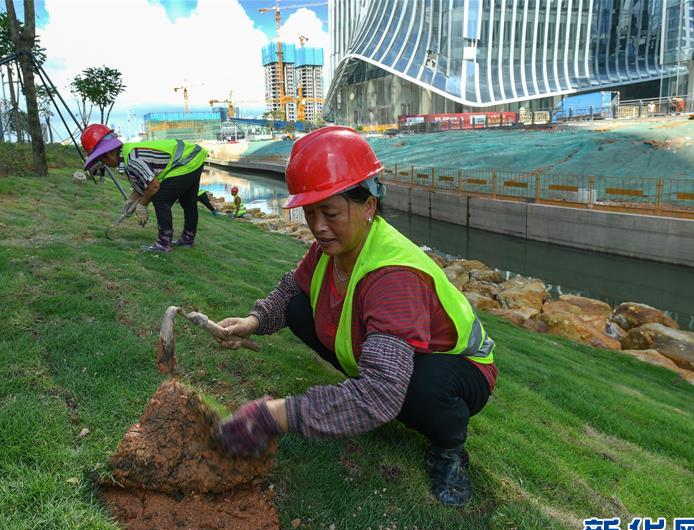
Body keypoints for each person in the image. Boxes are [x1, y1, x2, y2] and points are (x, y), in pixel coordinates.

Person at [210, 126, 498, 506]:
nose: (318, 228)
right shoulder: (333, 247)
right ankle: (358, 394)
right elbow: (290, 289)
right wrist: (254, 321)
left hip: (458, 368)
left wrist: (276, 416)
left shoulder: (394, 275)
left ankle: (448, 451)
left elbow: (381, 393)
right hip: (406, 355)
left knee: (418, 386)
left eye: (330, 213)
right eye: (310, 214)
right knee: (299, 308)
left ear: (369, 206)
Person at [82, 124, 208, 252]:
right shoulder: (127, 155)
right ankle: (187, 239)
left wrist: (142, 205)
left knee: (161, 199)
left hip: (186, 160)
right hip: (194, 156)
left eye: (104, 162)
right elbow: (142, 184)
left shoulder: (132, 158)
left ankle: (163, 244)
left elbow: (153, 186)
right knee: (188, 202)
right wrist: (131, 201)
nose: (106, 165)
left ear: (108, 155)